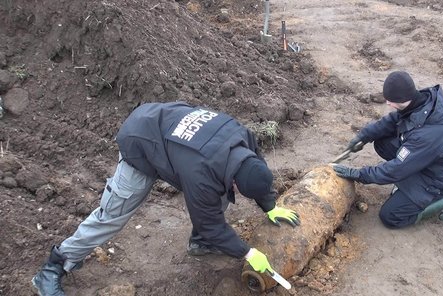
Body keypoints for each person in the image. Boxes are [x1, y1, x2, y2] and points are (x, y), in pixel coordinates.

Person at [32, 102, 300, 295]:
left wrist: (270, 206)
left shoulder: (243, 137)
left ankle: (200, 244)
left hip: (167, 133)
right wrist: (248, 252)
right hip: (141, 144)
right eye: (238, 189)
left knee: (215, 195)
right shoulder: (201, 174)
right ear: (236, 182)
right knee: (112, 216)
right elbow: (209, 222)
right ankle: (53, 268)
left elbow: (257, 170)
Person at [333, 71, 443, 228]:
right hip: (426, 161)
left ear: (403, 99)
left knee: (390, 217)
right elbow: (392, 121)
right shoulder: (420, 104)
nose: (388, 103)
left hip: (439, 180)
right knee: (381, 143)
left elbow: (394, 170)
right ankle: (410, 180)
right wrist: (364, 136)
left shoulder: (429, 135)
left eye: (391, 100)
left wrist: (358, 174)